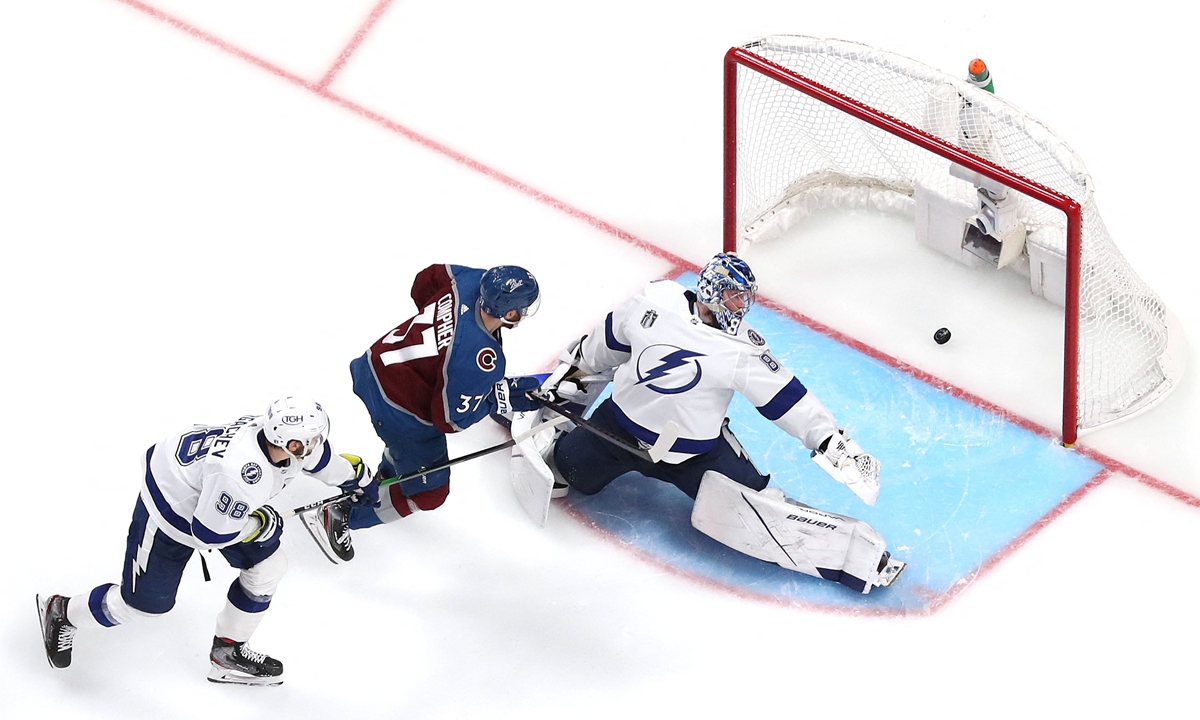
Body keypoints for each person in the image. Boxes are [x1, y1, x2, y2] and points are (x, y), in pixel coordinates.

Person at [525, 253, 904, 593]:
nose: (742, 306)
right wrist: (566, 382)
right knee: (570, 470)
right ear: (712, 291)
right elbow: (602, 346)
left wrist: (830, 441)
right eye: (735, 296)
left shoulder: (742, 348)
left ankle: (858, 560)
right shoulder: (654, 303)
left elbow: (787, 400)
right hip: (614, 433)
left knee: (762, 512)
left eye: (745, 298)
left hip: (695, 458)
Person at [36, 397, 376, 686]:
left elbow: (318, 460)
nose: (317, 444)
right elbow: (210, 533)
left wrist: (353, 478)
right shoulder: (240, 476)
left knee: (269, 567)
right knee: (143, 607)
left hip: (213, 499)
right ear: (291, 445)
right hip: (170, 510)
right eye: (310, 441)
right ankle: (63, 611)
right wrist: (259, 523)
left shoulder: (278, 440)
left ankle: (228, 651)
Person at [302, 264, 543, 563]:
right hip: (398, 407)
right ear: (509, 314)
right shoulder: (480, 358)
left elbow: (426, 279)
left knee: (408, 458)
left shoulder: (473, 281)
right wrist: (496, 398)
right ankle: (340, 516)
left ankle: (388, 476)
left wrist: (438, 336)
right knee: (431, 492)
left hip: (374, 364)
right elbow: (451, 419)